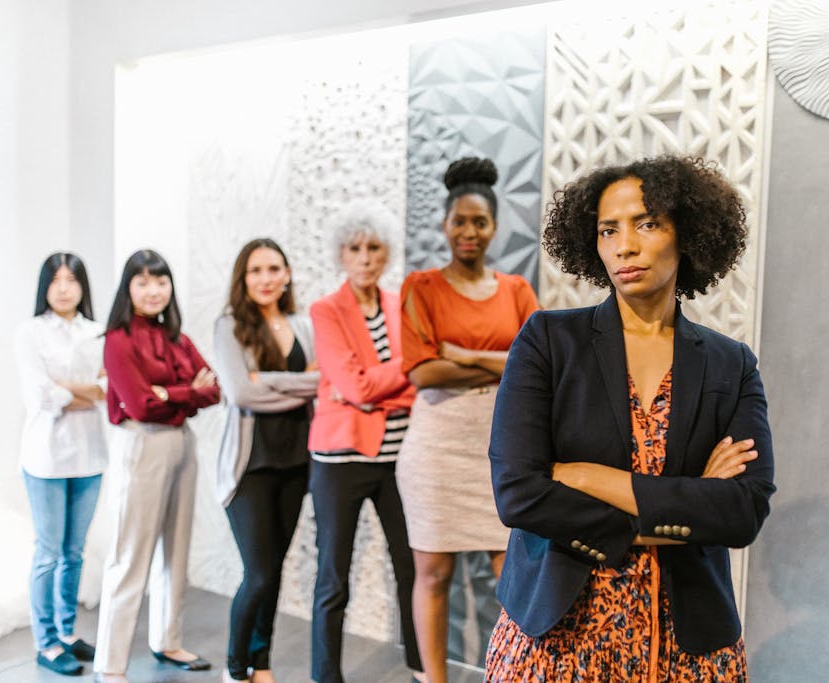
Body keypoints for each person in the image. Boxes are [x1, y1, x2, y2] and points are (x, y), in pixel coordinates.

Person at [485, 155, 776, 682]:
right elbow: (519, 494)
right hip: (557, 637)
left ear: (686, 233)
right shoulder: (549, 342)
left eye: (647, 223)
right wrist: (689, 505)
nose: (625, 245)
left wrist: (588, 477)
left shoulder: (730, 363)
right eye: (608, 229)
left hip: (688, 646)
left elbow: (741, 511)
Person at [397, 157, 539, 683]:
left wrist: (467, 355)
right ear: (444, 225)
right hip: (437, 448)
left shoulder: (516, 291)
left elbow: (536, 366)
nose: (469, 231)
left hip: (504, 446)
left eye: (479, 222)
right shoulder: (421, 287)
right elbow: (423, 372)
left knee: (512, 575)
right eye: (459, 220)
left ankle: (509, 674)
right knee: (433, 573)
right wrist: (498, 362)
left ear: (494, 228)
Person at [307, 203, 424, 683]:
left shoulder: (402, 304)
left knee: (412, 567)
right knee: (334, 578)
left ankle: (421, 665)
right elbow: (358, 387)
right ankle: (325, 675)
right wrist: (391, 379)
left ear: (386, 252)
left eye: (374, 247)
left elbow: (419, 380)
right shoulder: (326, 310)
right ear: (341, 254)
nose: (365, 257)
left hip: (399, 459)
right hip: (340, 460)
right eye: (355, 248)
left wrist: (369, 389)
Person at [93, 249, 220, 683]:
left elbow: (214, 389)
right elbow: (142, 405)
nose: (153, 291)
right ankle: (110, 664)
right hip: (141, 444)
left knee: (177, 548)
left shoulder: (178, 338)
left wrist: (171, 393)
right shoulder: (117, 340)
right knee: (130, 556)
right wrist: (185, 392)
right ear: (128, 287)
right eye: (143, 282)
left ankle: (168, 640)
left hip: (182, 443)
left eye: (161, 281)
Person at [212, 238, 320, 683]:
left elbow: (323, 383)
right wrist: (298, 384)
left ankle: (263, 663)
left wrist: (271, 382)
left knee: (273, 573)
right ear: (243, 279)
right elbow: (241, 393)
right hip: (250, 469)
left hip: (296, 465)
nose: (265, 278)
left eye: (274, 268)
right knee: (257, 574)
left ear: (287, 274)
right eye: (255, 271)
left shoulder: (302, 324)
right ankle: (236, 668)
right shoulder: (229, 325)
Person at [14, 253, 107, 677]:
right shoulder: (30, 332)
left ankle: (67, 632)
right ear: (45, 286)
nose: (65, 287)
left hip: (89, 453)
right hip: (46, 456)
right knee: (49, 552)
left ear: (83, 286)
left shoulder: (97, 332)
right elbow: (41, 397)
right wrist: (84, 391)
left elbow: (109, 391)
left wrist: (70, 389)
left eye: (73, 279)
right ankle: (46, 641)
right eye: (57, 280)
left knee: (74, 551)